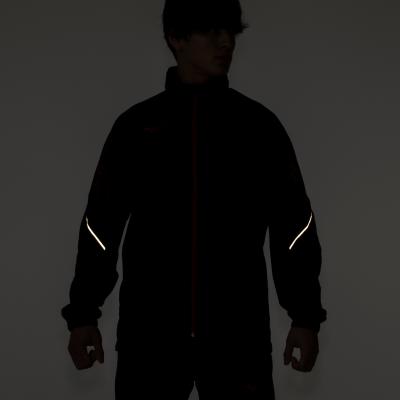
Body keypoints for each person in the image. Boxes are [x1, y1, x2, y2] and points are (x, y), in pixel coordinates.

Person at [61, 1, 327, 399]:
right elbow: (100, 226)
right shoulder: (137, 127)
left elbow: (295, 226)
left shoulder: (258, 128)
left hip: (238, 340)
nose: (226, 42)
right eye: (211, 30)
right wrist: (84, 313)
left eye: (230, 31)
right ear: (176, 38)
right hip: (150, 339)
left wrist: (304, 316)